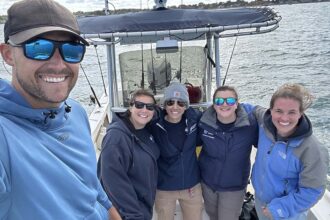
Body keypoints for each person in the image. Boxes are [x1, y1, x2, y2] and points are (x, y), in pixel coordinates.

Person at [0, 0, 122, 219]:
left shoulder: (76, 112)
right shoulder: (4, 135)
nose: (58, 64)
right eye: (39, 48)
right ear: (8, 54)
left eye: (72, 49)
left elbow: (93, 189)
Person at [252, 83, 329, 220]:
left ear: (301, 113)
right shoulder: (265, 121)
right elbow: (252, 109)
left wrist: (279, 209)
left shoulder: (312, 149)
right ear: (271, 110)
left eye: (292, 112)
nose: (284, 118)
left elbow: (312, 191)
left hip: (287, 212)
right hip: (260, 201)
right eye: (279, 111)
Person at [98, 89, 160, 220]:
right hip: (127, 213)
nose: (144, 110)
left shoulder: (145, 130)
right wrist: (134, 214)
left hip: (143, 206)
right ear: (130, 107)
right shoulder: (116, 138)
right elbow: (114, 183)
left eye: (149, 107)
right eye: (139, 105)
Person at [198, 85, 259, 220]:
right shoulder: (203, 123)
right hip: (208, 184)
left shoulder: (251, 124)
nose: (224, 104)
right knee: (212, 215)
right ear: (214, 105)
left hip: (234, 187)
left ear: (237, 104)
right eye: (219, 101)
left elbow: (266, 145)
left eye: (230, 101)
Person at [149, 82, 203, 220]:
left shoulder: (194, 119)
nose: (175, 107)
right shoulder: (153, 124)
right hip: (164, 188)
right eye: (170, 102)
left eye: (181, 103)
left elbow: (220, 115)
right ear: (164, 105)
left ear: (186, 106)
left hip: (191, 187)